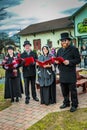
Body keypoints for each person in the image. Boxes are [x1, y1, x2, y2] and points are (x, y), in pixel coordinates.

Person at [56, 32, 81, 112]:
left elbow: (78, 60)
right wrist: (56, 62)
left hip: (70, 73)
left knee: (73, 91)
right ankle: (66, 102)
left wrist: (69, 62)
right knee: (64, 90)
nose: (64, 42)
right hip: (62, 73)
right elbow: (57, 59)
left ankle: (74, 104)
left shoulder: (74, 49)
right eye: (62, 41)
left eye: (65, 40)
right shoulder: (59, 50)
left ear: (68, 41)